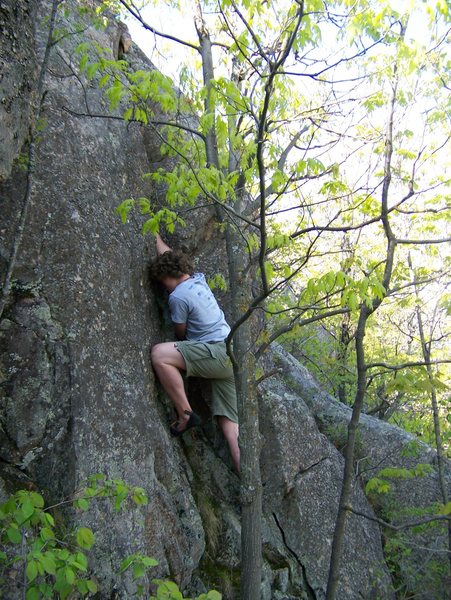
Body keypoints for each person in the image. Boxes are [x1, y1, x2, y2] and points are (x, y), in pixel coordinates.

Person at [150, 233, 240, 473]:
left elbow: (181, 333)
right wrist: (154, 235)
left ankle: (185, 414)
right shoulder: (199, 280)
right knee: (230, 426)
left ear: (168, 276)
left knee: (160, 354)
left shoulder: (178, 296)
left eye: (163, 281)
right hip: (232, 353)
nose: (163, 286)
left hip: (215, 354)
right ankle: (248, 478)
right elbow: (169, 257)